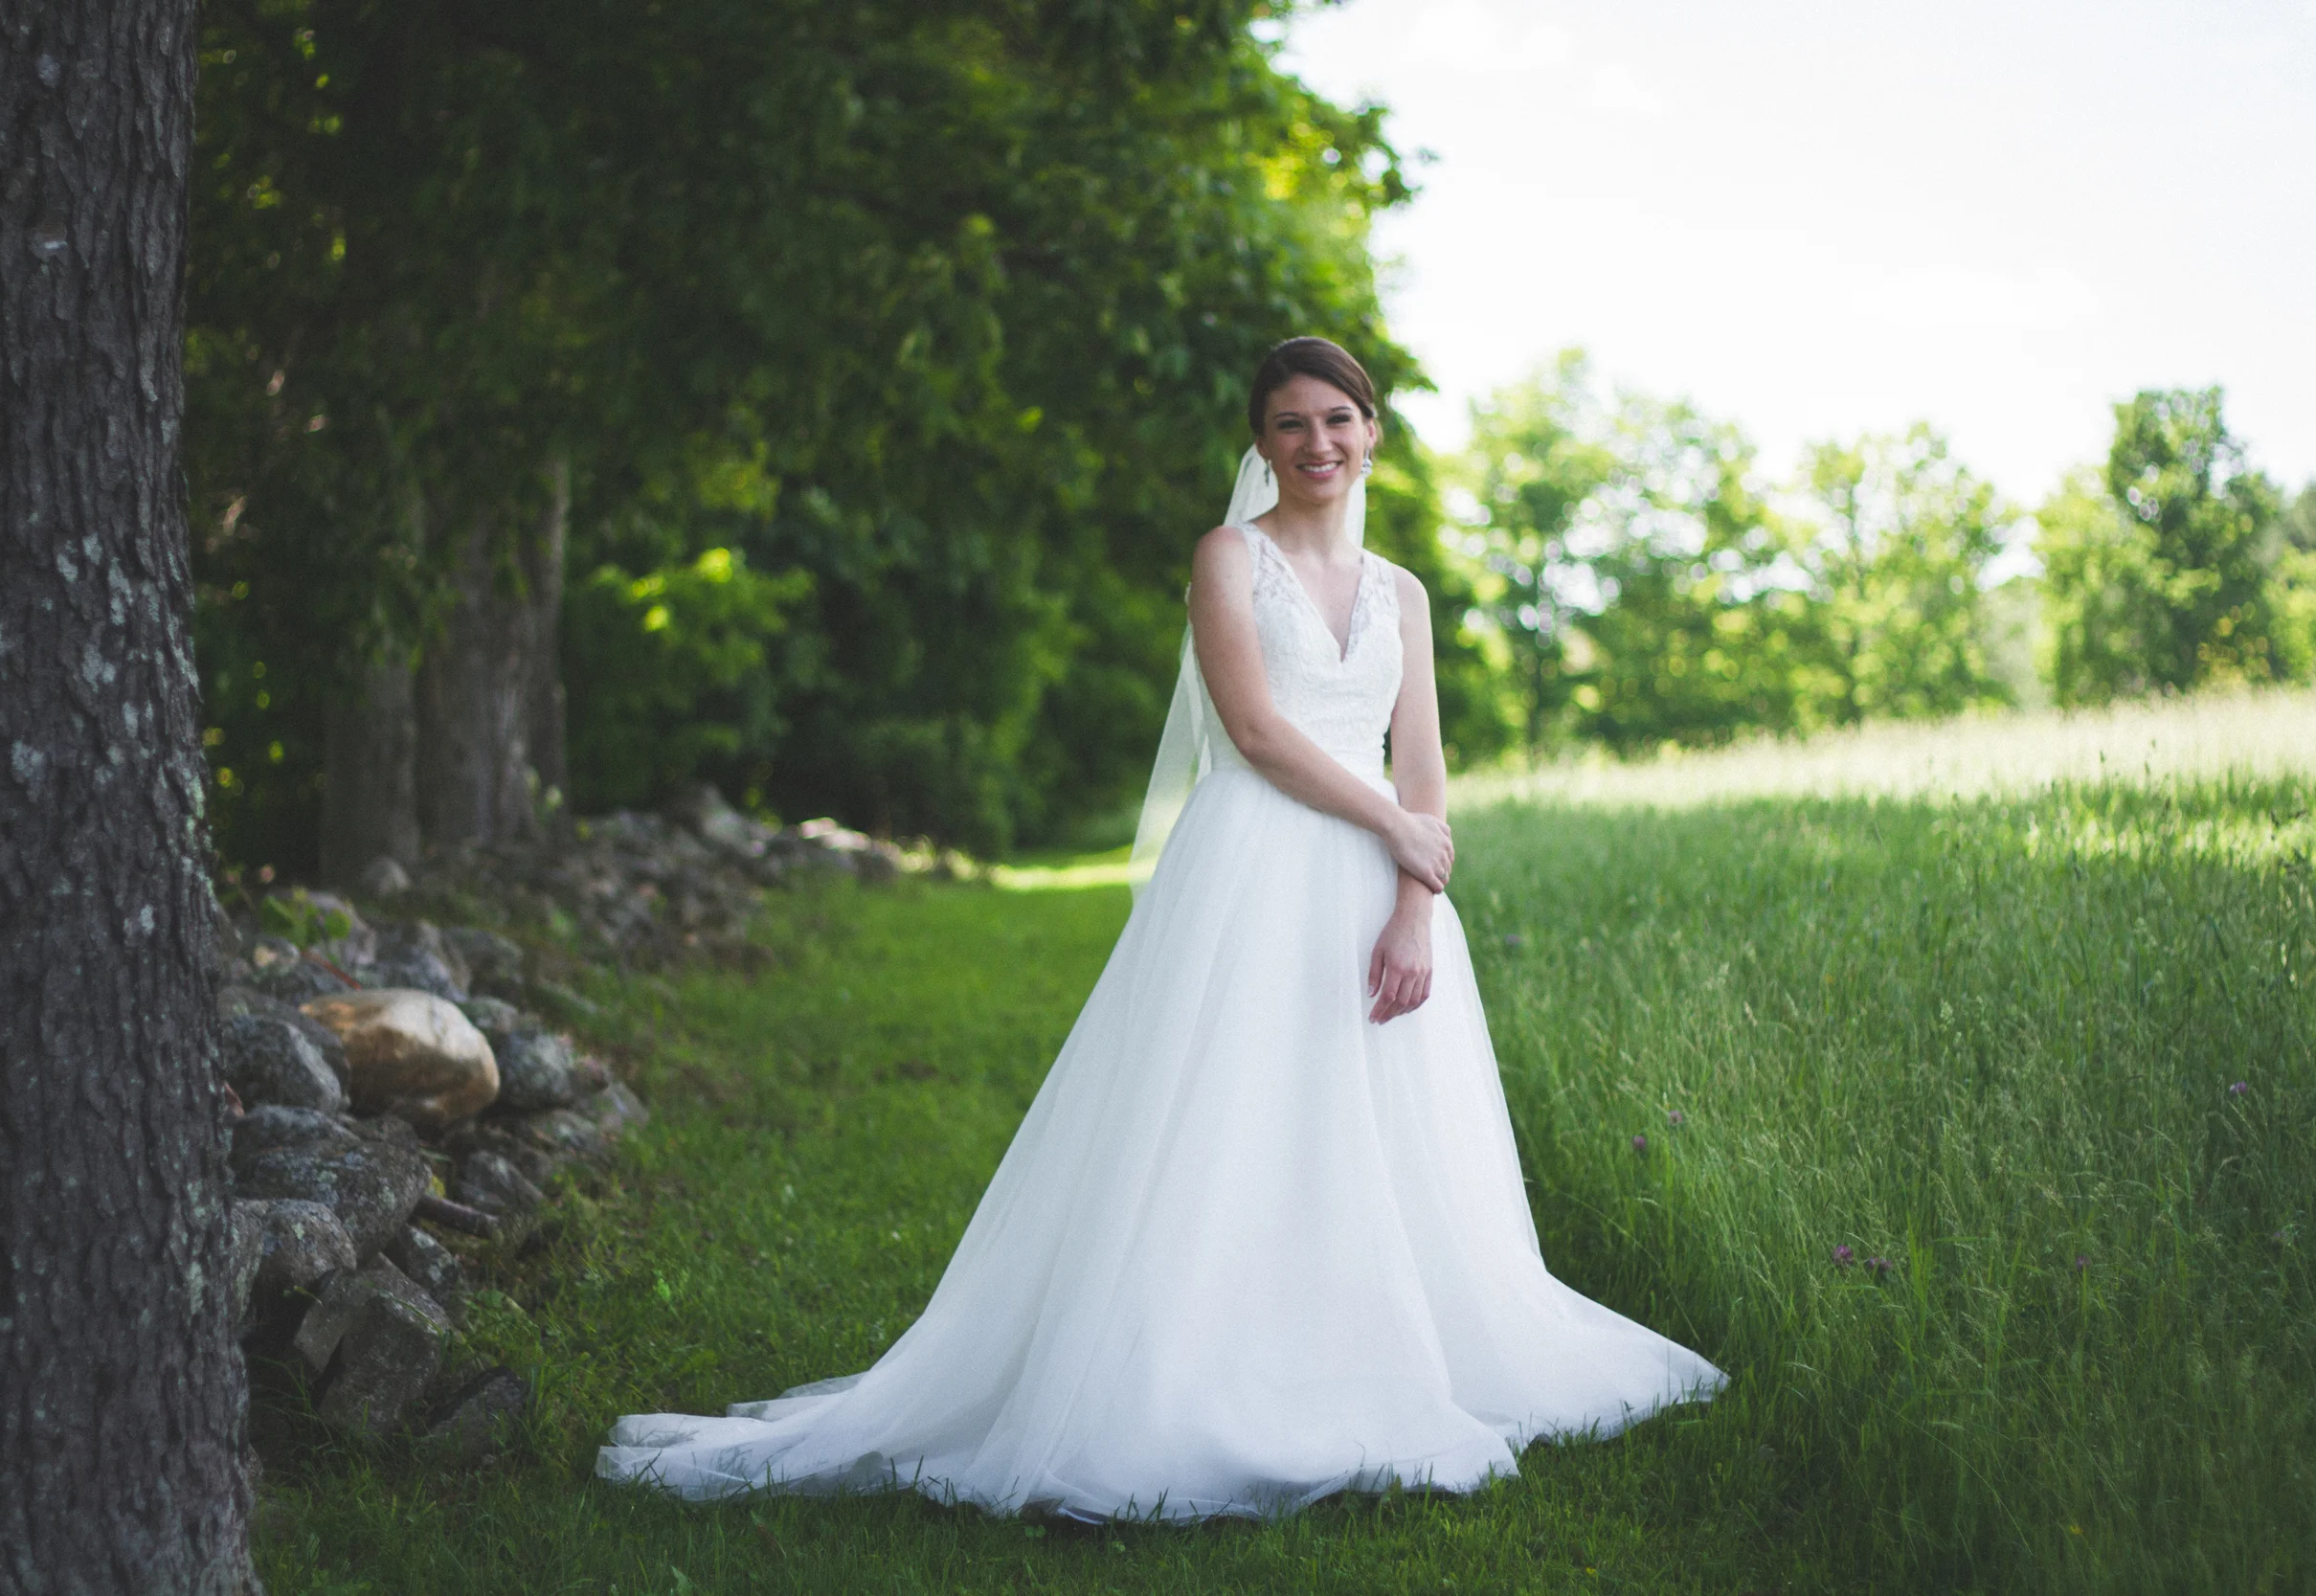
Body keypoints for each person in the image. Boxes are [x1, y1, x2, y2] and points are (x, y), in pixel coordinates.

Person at [599, 337, 1723, 1521]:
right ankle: (1192, 1372)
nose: (1317, 442)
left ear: (1372, 430)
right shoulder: (1226, 557)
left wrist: (1412, 903)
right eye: (1288, 423)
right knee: (1232, 1111)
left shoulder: (1405, 594)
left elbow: (1425, 767)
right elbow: (1253, 729)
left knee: (1372, 1125)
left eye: (1337, 418)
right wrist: (1392, 825)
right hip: (1253, 864)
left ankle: (1376, 1352)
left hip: (1376, 881)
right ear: (1261, 441)